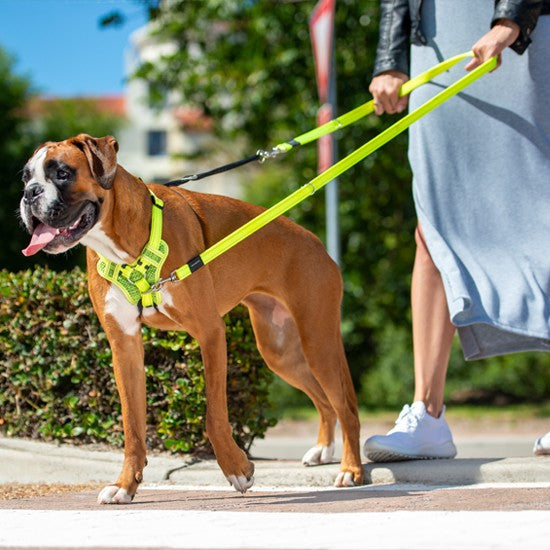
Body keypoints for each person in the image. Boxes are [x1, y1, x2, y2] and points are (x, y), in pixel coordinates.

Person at [363, 0, 550, 462]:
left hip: (525, 39)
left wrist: (511, 21)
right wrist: (390, 58)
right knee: (434, 224)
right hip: (436, 44)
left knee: (541, 208)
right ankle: (427, 416)